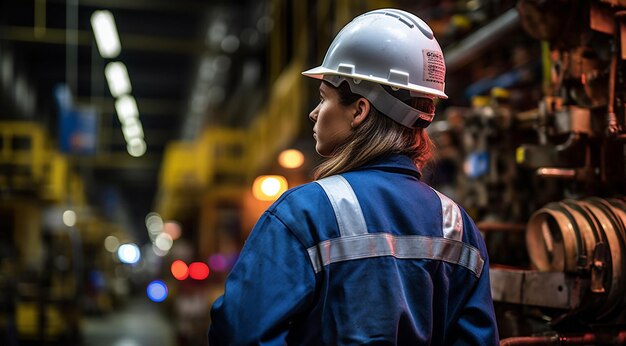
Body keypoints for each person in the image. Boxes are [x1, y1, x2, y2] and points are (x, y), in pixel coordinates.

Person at [208, 8, 499, 345]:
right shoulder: (459, 228)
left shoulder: (304, 213)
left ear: (360, 110)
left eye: (324, 97)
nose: (314, 112)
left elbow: (241, 334)